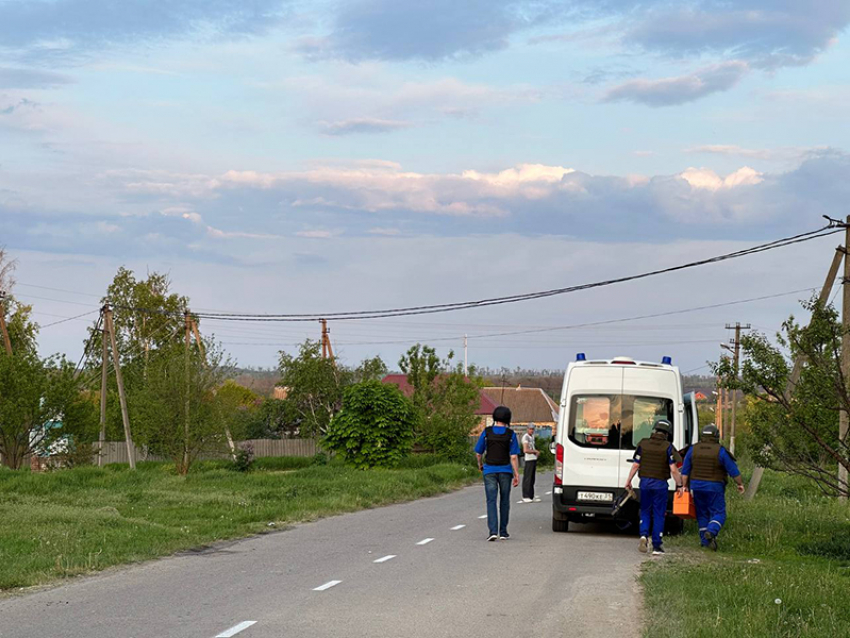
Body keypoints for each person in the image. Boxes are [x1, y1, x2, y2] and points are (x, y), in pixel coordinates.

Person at [680, 424, 744, 551]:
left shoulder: (693, 449)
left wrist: (684, 486)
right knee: (719, 513)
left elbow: (685, 471)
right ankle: (711, 531)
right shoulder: (720, 451)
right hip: (715, 487)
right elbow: (733, 471)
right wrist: (740, 484)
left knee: (702, 514)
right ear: (716, 436)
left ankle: (705, 541)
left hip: (696, 487)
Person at [624, 419, 682, 555]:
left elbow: (636, 465)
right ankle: (657, 545)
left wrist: (629, 480)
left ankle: (643, 535)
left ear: (654, 430)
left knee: (645, 511)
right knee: (659, 514)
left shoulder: (643, 444)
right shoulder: (668, 446)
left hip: (644, 483)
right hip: (660, 485)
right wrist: (679, 485)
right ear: (667, 433)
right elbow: (673, 469)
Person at [475, 406, 521, 541]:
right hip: (505, 470)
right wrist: (516, 473)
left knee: (491, 500)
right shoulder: (511, 434)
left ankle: (493, 531)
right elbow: (513, 456)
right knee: (505, 501)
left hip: (489, 470)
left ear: (495, 417)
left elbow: (478, 453)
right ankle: (504, 531)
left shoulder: (487, 432)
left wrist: (480, 465)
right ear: (508, 418)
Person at [521, 424, 541, 502]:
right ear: (527, 429)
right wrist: (535, 451)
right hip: (528, 459)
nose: (531, 430)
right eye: (530, 429)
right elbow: (525, 450)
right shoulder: (525, 437)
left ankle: (531, 495)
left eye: (532, 429)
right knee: (528, 478)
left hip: (533, 459)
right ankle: (525, 495)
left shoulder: (532, 437)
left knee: (532, 478)